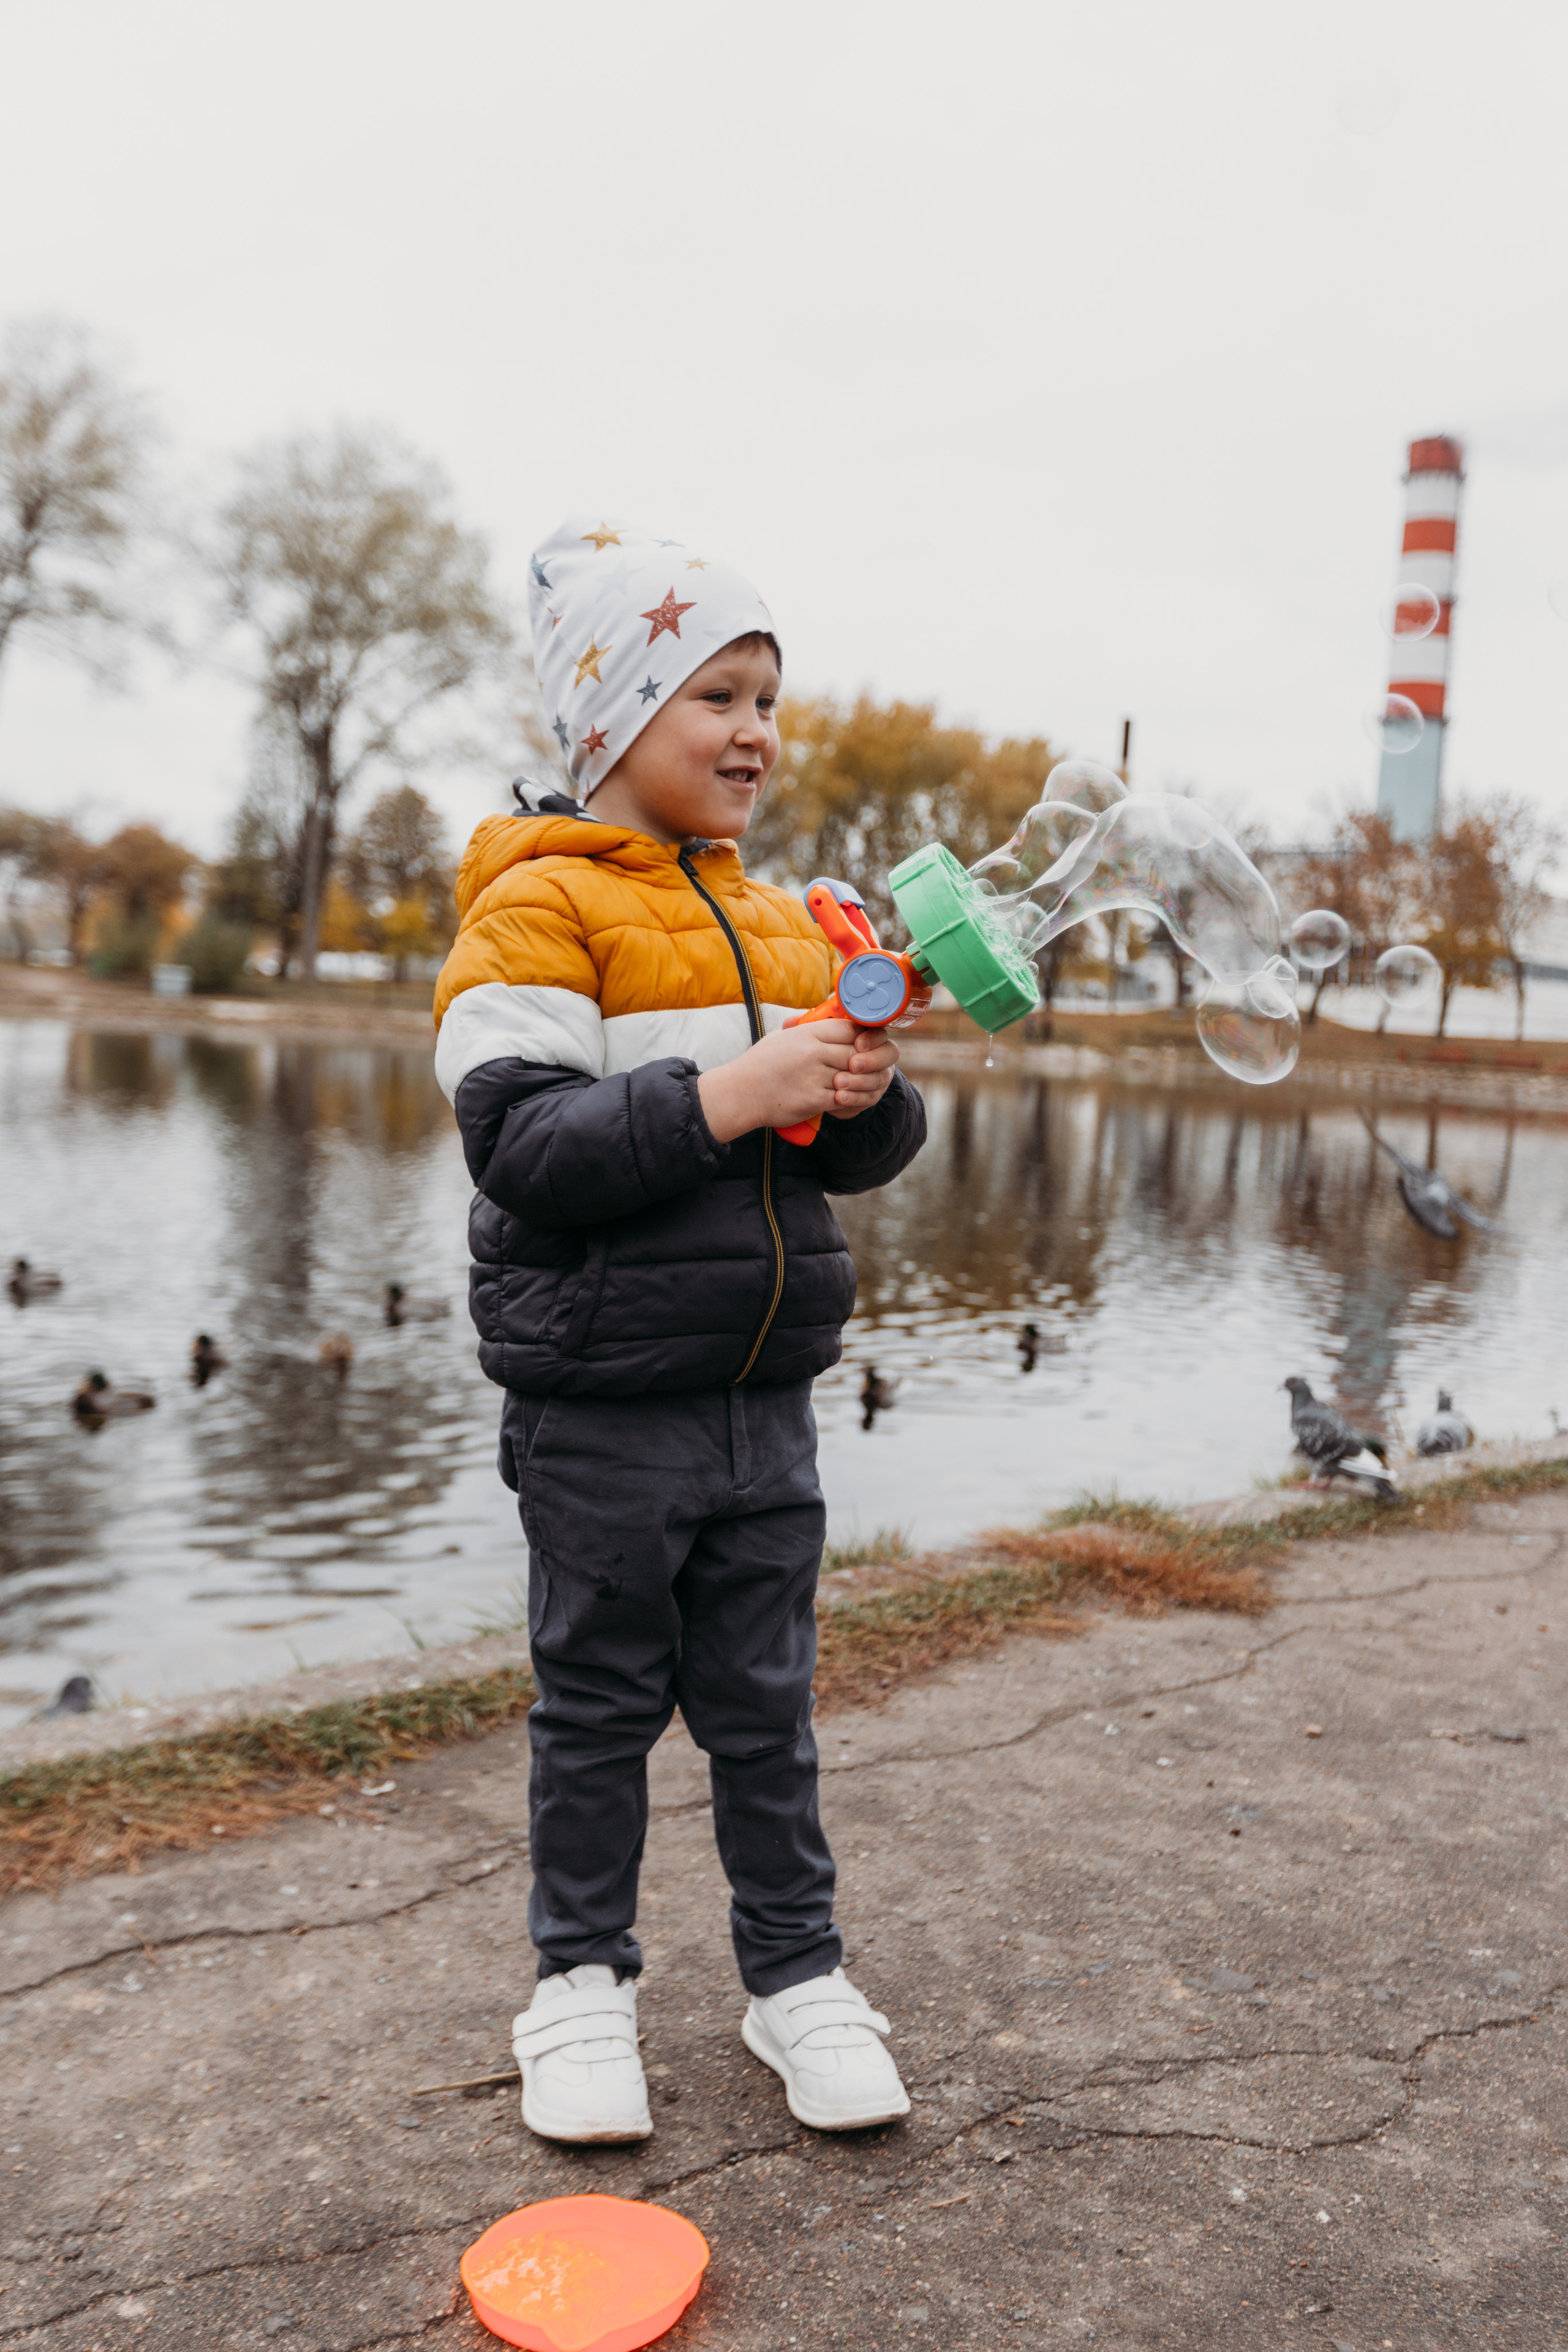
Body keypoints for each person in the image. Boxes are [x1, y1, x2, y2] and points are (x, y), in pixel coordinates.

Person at [434, 517, 927, 2147]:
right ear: (611, 720)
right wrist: (733, 1090)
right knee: (594, 1708)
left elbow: (850, 1154)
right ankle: (578, 1986)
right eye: (715, 694)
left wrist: (863, 1084)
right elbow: (523, 1150)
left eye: (767, 699)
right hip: (602, 1408)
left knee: (766, 1710)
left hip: (763, 1404)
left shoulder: (788, 921)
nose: (755, 732)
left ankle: (797, 1978)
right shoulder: (535, 911)